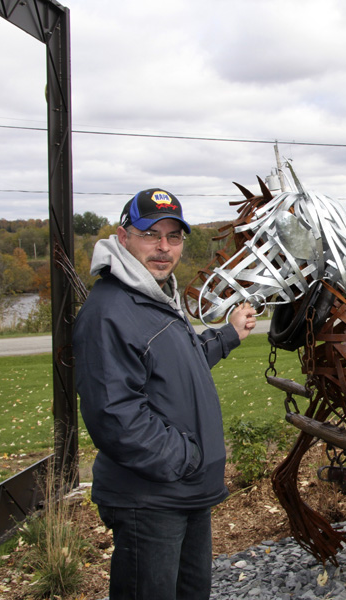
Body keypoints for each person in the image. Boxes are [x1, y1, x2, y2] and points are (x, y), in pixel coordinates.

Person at [73, 188, 257, 600]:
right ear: (123, 238)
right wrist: (186, 457)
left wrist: (228, 335)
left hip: (184, 490)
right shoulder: (111, 310)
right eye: (150, 234)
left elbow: (176, 367)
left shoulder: (153, 298)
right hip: (151, 497)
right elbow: (115, 416)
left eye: (173, 237)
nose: (163, 247)